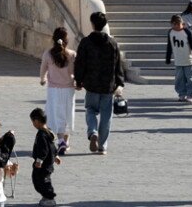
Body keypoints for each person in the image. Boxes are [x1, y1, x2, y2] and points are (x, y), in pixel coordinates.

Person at [73, 11, 126, 155]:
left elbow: (80, 63)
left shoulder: (86, 42)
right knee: (106, 116)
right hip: (108, 86)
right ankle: (102, 146)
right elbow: (118, 64)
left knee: (90, 110)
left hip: (91, 84)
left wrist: (78, 80)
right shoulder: (112, 43)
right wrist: (120, 83)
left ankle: (93, 132)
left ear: (92, 24)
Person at [38, 26, 76, 153]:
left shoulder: (48, 54)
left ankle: (60, 141)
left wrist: (42, 79)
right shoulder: (72, 55)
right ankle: (65, 140)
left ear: (54, 39)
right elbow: (76, 71)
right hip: (69, 89)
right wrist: (78, 81)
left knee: (55, 114)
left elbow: (43, 69)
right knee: (67, 113)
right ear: (66, 40)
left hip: (53, 90)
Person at [29, 106, 58, 207]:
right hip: (48, 163)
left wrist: (39, 161)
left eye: (33, 121)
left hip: (43, 164)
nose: (33, 124)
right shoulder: (48, 131)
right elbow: (52, 146)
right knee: (42, 180)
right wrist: (56, 156)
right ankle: (46, 196)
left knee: (41, 181)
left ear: (36, 121)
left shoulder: (41, 134)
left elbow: (43, 149)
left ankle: (49, 198)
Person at [164, 14, 192, 102]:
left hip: (188, 60)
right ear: (172, 24)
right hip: (178, 60)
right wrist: (168, 57)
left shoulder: (187, 32)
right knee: (179, 79)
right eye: (174, 24)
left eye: (178, 24)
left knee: (191, 78)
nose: (176, 26)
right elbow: (170, 45)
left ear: (182, 23)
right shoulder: (171, 32)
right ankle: (182, 94)